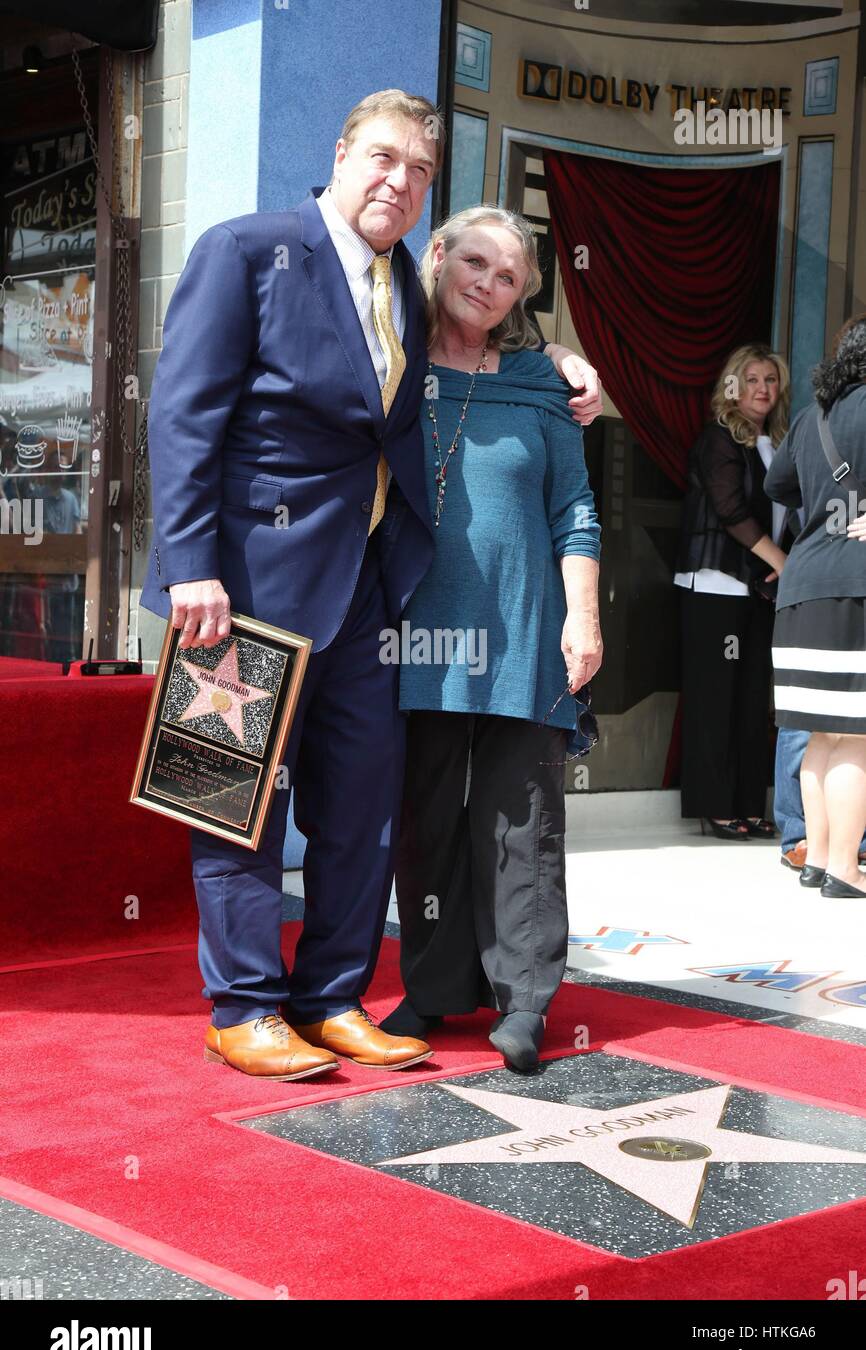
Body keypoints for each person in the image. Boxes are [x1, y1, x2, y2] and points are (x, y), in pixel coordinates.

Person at [140, 90, 603, 1081]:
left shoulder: (404, 279)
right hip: (237, 585)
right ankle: (245, 1007)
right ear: (341, 154)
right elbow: (181, 418)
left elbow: (481, 353)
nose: (399, 181)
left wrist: (567, 363)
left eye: (421, 172)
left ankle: (333, 996)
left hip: (363, 597)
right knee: (232, 799)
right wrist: (190, 567)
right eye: (383, 158)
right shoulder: (245, 250)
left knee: (360, 808)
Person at [380, 207, 602, 1073]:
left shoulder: (546, 383)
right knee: (427, 820)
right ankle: (432, 990)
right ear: (437, 257)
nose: (487, 282)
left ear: (521, 296)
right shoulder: (392, 366)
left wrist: (584, 616)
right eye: (475, 261)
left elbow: (574, 510)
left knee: (525, 821)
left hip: (526, 628)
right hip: (416, 632)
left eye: (508, 276)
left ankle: (528, 1001)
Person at [765, 313, 866, 898]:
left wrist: (828, 507)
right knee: (855, 736)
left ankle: (819, 859)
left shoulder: (810, 418)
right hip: (855, 588)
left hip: (802, 589)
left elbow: (777, 487)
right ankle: (847, 869)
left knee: (821, 735)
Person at [674, 345, 790, 840]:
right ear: (733, 387)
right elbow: (730, 512)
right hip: (715, 583)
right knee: (715, 699)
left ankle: (746, 804)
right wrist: (785, 564)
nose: (762, 388)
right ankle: (716, 806)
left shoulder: (777, 444)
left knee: (748, 700)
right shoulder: (720, 439)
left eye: (770, 379)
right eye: (752, 379)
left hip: (756, 590)